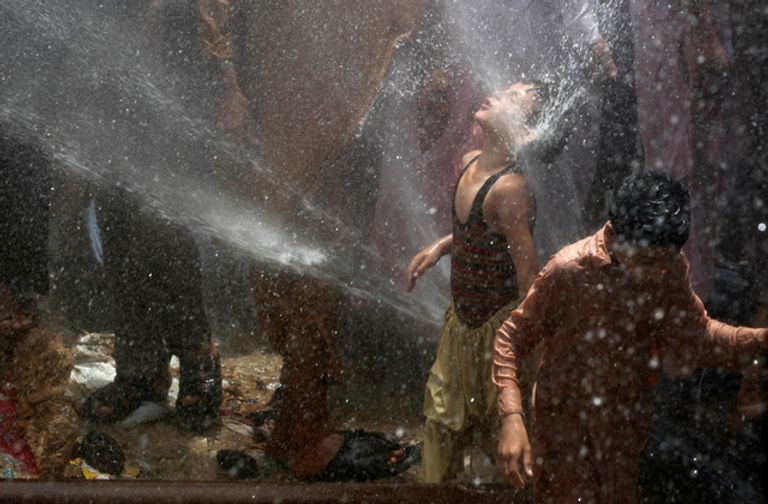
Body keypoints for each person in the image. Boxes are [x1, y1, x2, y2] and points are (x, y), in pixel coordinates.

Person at [493, 172, 767, 502]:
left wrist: (758, 341)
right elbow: (510, 340)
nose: (657, 273)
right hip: (564, 428)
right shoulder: (569, 271)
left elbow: (697, 337)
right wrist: (511, 419)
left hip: (624, 427)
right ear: (616, 235)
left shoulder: (668, 265)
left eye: (665, 261)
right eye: (647, 261)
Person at [406, 81, 552, 482]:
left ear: (526, 133)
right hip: (460, 327)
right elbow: (479, 232)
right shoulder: (470, 161)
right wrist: (441, 246)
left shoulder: (511, 190)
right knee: (441, 421)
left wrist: (535, 361)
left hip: (498, 331)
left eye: (513, 99)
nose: (498, 95)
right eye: (505, 89)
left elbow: (528, 278)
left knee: (498, 435)